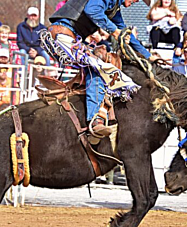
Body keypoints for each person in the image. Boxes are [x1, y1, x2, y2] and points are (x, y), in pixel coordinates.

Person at [48, 0, 155, 137]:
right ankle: (95, 119)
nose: (136, 1)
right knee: (99, 68)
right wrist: (114, 30)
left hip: (67, 36)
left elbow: (124, 33)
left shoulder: (114, 9)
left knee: (99, 65)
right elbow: (92, 10)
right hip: (63, 35)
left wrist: (148, 56)